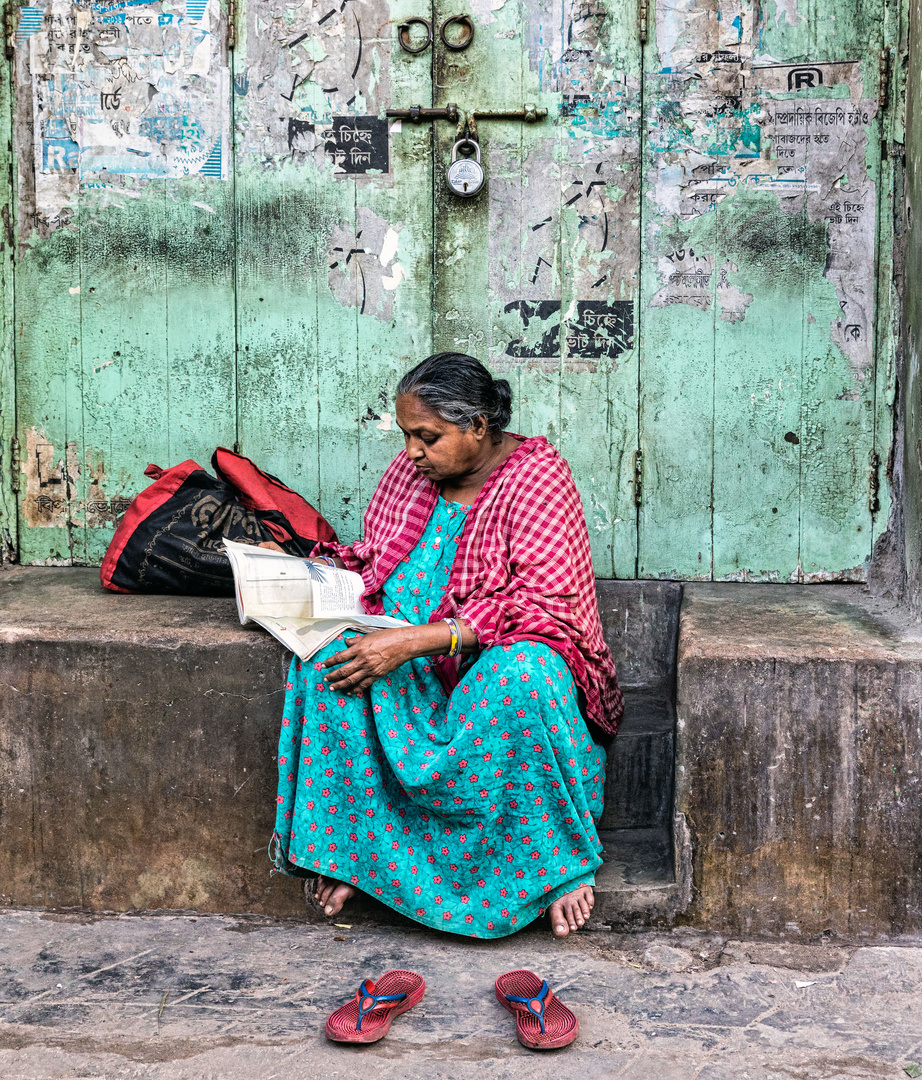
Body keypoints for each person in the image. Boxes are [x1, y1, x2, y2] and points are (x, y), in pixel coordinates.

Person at [270, 353, 623, 938]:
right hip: (411, 658)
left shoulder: (538, 480)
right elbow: (376, 560)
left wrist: (421, 640)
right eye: (408, 435)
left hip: (491, 669)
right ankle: (360, 854)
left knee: (526, 674)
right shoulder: (412, 475)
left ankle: (553, 866)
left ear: (479, 427)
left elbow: (546, 604)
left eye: (427, 437)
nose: (412, 451)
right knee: (329, 663)